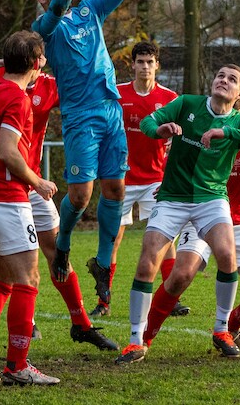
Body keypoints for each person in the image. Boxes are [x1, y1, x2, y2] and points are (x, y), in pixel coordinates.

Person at [0, 60, 117, 376]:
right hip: (8, 187)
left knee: (53, 254)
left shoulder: (48, 84)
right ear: (31, 57)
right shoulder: (2, 82)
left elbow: (88, 87)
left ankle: (80, 323)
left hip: (25, 184)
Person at [116, 65, 240, 364]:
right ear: (212, 82)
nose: (224, 81)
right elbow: (150, 122)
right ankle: (136, 341)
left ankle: (221, 330)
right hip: (173, 197)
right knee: (147, 262)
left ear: (239, 92)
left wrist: (226, 132)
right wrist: (160, 130)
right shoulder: (187, 103)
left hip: (211, 198)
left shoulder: (239, 122)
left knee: (227, 255)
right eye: (220, 76)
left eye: (232, 79)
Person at [31, 0, 139, 306]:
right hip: (80, 117)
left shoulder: (90, 11)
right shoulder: (45, 26)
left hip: (111, 110)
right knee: (79, 197)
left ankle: (104, 265)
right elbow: (59, 7)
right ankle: (62, 245)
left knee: (116, 191)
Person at [0, 30, 60, 386]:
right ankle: (18, 365)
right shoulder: (17, 98)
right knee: (28, 279)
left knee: (4, 278)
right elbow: (7, 151)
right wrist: (38, 182)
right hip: (5, 197)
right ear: (36, 63)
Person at [97, 40, 183, 319]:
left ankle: (171, 298)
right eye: (140, 62)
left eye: (150, 62)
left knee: (164, 239)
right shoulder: (118, 94)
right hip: (121, 177)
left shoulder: (170, 97)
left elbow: (180, 140)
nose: (145, 67)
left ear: (157, 65)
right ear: (132, 65)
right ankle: (103, 301)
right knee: (113, 239)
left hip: (156, 180)